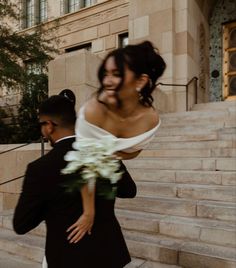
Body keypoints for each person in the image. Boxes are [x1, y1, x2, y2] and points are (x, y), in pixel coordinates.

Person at [13, 95, 136, 268]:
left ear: (49, 126)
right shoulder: (101, 152)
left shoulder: (39, 169)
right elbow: (129, 190)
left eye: (41, 124)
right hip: (110, 255)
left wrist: (48, 201)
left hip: (68, 258)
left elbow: (21, 224)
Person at [67, 40, 166, 243]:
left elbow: (135, 150)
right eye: (106, 73)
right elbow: (85, 166)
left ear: (140, 81)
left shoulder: (150, 119)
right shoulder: (93, 111)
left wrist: (110, 153)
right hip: (78, 170)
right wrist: (88, 213)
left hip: (105, 169)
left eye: (117, 74)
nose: (108, 81)